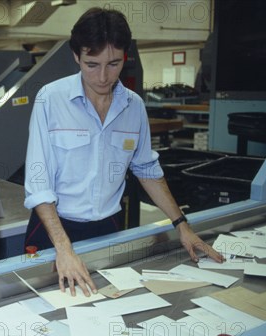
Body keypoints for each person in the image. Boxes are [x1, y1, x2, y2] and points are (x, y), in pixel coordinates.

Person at [23, 7, 224, 298]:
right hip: (53, 229)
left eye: (114, 63)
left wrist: (182, 226)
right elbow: (38, 183)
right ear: (76, 56)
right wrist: (63, 249)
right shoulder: (50, 100)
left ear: (124, 57)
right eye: (92, 64)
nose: (103, 76)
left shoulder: (134, 107)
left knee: (108, 310)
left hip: (107, 230)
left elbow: (147, 170)